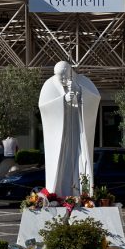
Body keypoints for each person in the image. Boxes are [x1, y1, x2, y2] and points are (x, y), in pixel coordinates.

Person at [38, 61, 101, 198]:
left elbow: (95, 99)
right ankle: (58, 194)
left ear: (70, 72)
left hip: (78, 131)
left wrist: (80, 93)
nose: (62, 80)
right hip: (61, 135)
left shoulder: (83, 82)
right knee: (62, 163)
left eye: (64, 76)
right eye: (59, 77)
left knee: (80, 159)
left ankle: (82, 193)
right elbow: (44, 106)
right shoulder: (49, 85)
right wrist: (63, 100)